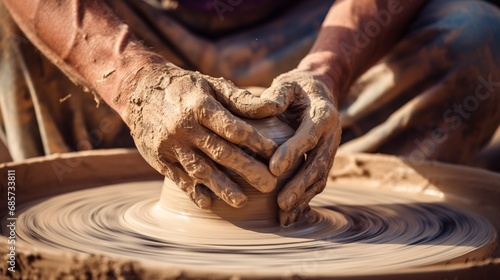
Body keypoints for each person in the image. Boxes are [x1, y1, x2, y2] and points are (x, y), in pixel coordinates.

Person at [1, 0, 499, 226]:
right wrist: (135, 82)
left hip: (310, 24)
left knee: (476, 35)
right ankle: (80, 211)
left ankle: (349, 216)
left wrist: (329, 70)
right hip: (127, 26)